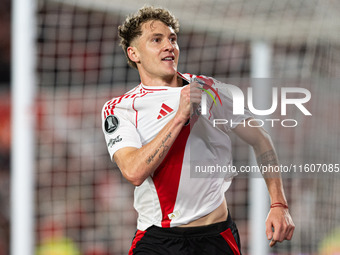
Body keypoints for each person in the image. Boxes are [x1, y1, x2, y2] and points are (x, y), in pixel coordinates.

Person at [101, 6, 295, 255]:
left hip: (216, 236)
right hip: (158, 240)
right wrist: (179, 116)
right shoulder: (121, 108)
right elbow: (133, 171)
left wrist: (279, 203)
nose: (169, 45)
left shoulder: (209, 89)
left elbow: (261, 140)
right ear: (134, 53)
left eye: (172, 38)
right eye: (156, 40)